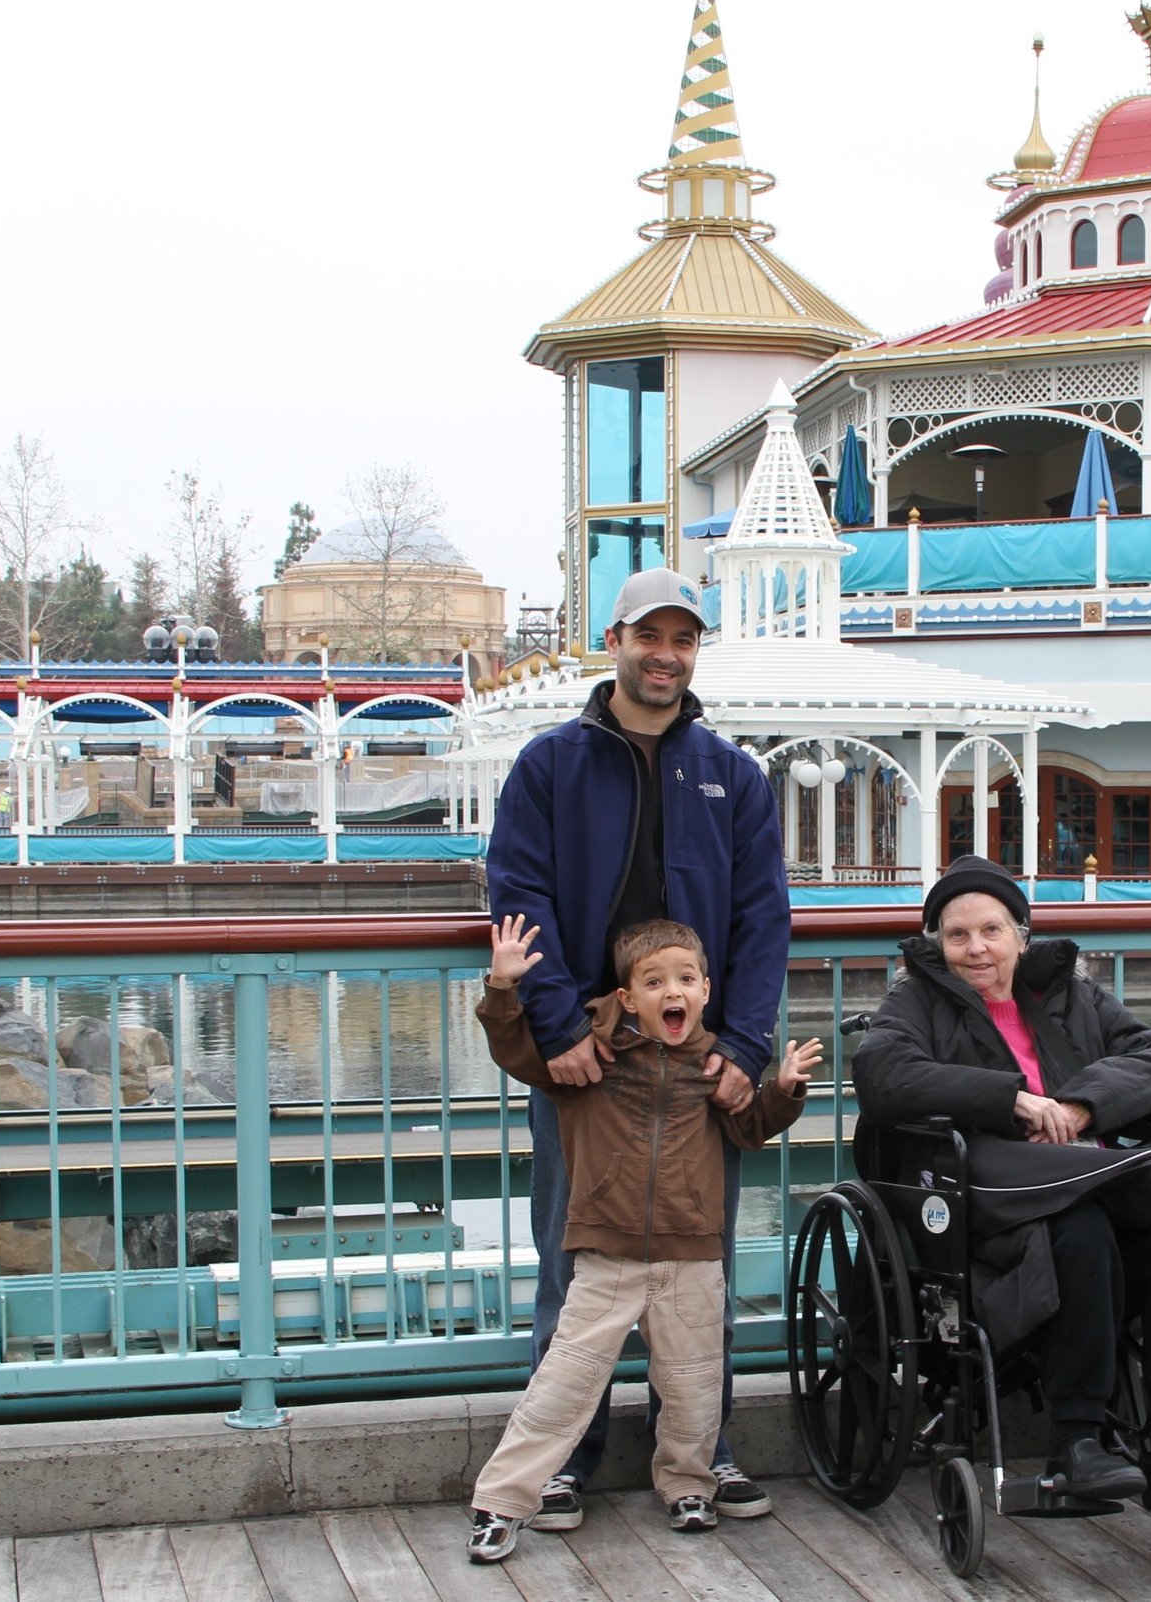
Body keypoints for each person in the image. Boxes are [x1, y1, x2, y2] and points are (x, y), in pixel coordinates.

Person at [484, 568, 790, 1530]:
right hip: (588, 1061)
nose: (665, 655)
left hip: (697, 1065)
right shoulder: (550, 766)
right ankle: (565, 1459)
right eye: (647, 636)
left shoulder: (732, 775)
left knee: (702, 1270)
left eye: (683, 639)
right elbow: (517, 894)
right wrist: (560, 1026)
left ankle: (701, 1449)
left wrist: (742, 1040)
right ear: (611, 640)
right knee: (567, 1264)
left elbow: (762, 919)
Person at [851, 855, 1151, 1503]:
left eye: (992, 931)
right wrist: (1009, 1098)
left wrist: (1082, 1106)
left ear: (1021, 935)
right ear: (937, 944)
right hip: (990, 1207)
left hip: (1096, 1176)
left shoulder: (1072, 995)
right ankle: (1077, 1438)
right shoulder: (916, 1001)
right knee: (1079, 1223)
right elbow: (884, 1077)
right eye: (957, 935)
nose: (975, 948)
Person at [466, 915, 818, 1562]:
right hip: (607, 1255)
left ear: (707, 990)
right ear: (628, 997)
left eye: (685, 979)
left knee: (692, 1383)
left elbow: (749, 1129)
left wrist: (786, 1092)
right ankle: (502, 1500)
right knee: (563, 1382)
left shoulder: (714, 1069)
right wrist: (502, 989)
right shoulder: (593, 1061)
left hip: (693, 1254)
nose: (671, 991)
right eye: (654, 981)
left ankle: (688, 1485)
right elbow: (516, 1053)